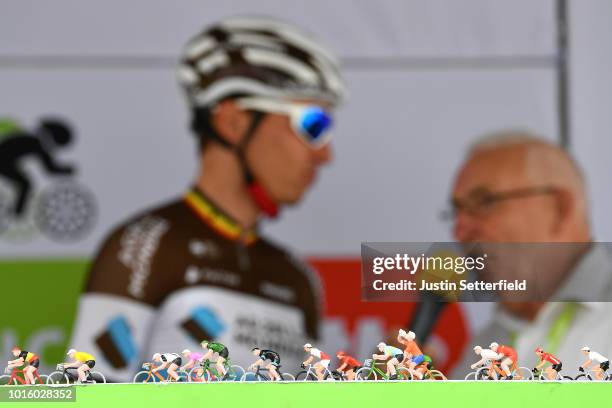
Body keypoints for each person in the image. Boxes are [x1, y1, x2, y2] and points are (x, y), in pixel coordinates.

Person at [68, 16, 346, 382]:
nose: (325, 155)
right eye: (313, 126)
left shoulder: (298, 279)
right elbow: (85, 393)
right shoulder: (146, 245)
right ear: (232, 122)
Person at [450, 131, 612, 377]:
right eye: (457, 211)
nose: (460, 230)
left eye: (485, 202)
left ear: (559, 209)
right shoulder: (486, 344)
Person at [0, 118, 74, 217]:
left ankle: (17, 212)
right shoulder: (36, 143)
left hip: (7, 162)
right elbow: (50, 169)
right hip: (3, 162)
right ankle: (16, 213)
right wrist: (66, 170)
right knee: (26, 184)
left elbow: (50, 168)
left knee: (26, 183)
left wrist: (65, 170)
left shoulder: (36, 143)